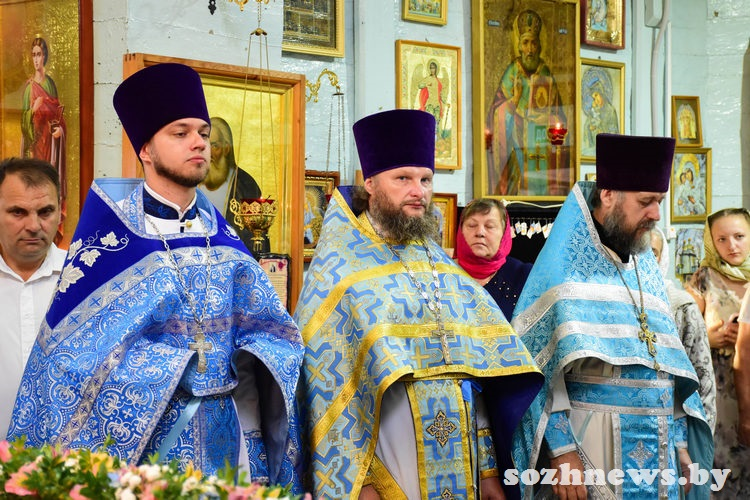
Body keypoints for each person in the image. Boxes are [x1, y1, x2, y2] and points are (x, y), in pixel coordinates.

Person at [8, 63, 304, 490]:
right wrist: (175, 366)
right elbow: (69, 363)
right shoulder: (111, 246)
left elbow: (277, 335)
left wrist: (252, 356)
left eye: (203, 133)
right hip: (147, 456)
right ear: (146, 149)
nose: (199, 143)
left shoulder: (225, 242)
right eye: (180, 133)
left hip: (229, 443)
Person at [295, 109, 543, 499]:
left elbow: (475, 378)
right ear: (370, 183)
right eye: (403, 179)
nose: (419, 191)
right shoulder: (339, 273)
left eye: (425, 179)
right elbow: (327, 391)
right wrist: (362, 484)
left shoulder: (443, 268)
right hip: (390, 464)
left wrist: (488, 470)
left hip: (462, 464)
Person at [512, 133, 713, 499]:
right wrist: (561, 451)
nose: (656, 214)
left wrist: (681, 444)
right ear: (608, 195)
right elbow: (536, 368)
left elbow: (668, 366)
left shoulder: (645, 269)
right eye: (646, 202)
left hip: (661, 454)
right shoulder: (562, 272)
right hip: (591, 445)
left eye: (660, 201)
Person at [685, 207, 750, 497]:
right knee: (722, 465)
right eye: (721, 239)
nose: (732, 245)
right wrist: (710, 338)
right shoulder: (704, 278)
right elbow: (682, 333)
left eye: (739, 236)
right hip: (718, 389)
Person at [0, 157, 66, 439]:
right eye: (18, 212)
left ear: (60, 211)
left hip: (66, 457)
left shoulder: (84, 280)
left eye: (45, 211)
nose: (34, 225)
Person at [485, 9, 567, 197]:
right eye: (525, 43)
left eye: (534, 43)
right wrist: (514, 101)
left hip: (540, 144)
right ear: (519, 46)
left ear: (539, 46)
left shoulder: (546, 73)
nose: (530, 49)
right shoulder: (512, 72)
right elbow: (496, 113)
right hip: (516, 145)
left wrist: (548, 119)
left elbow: (560, 118)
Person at [651, 227, 716, 432]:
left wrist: (702, 435)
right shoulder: (611, 302)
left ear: (662, 258)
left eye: (652, 252)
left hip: (676, 425)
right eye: (637, 252)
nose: (643, 260)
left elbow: (703, 377)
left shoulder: (682, 306)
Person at [21, 36, 67, 244]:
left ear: (45, 57)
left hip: (51, 149)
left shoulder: (50, 85)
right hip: (35, 148)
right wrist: (33, 110)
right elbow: (24, 125)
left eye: (39, 55)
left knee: (49, 189)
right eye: (33, 55)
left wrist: (59, 131)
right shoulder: (29, 89)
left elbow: (58, 117)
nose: (36, 59)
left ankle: (49, 232)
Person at [455, 197, 532, 320]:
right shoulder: (441, 273)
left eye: (489, 226)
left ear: (504, 233)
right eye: (472, 225)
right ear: (461, 231)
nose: (480, 232)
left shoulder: (524, 277)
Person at [199, 116, 266, 254]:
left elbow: (256, 237)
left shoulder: (245, 184)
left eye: (215, 146)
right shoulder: (191, 181)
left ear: (227, 148)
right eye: (205, 146)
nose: (209, 152)